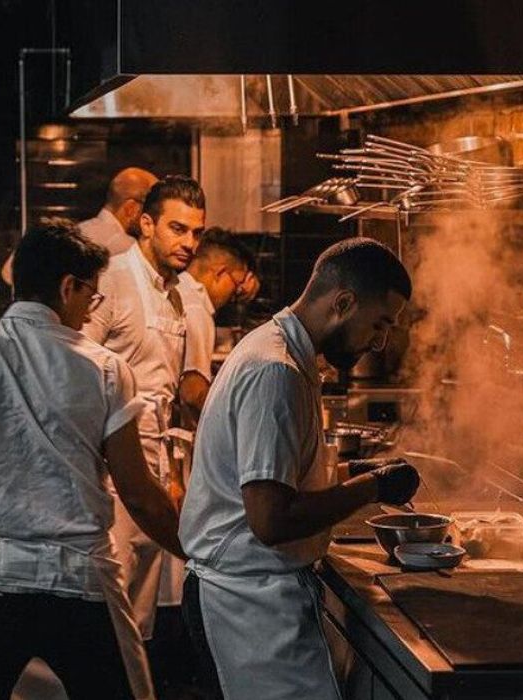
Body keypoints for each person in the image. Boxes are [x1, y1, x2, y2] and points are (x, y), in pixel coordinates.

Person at [0, 219, 185, 700]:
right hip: (84, 581)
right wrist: (199, 554)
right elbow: (139, 496)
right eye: (91, 296)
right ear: (67, 287)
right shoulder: (106, 369)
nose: (89, 312)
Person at [178, 237, 420, 700]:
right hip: (248, 606)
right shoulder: (276, 370)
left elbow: (282, 473)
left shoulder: (285, 351)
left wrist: (355, 470)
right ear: (343, 303)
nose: (380, 342)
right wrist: (372, 486)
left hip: (254, 597)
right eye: (380, 324)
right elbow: (271, 519)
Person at [80, 175, 204, 694]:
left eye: (196, 233)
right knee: (110, 610)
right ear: (146, 224)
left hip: (154, 466)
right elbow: (77, 364)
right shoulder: (111, 279)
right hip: (110, 472)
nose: (189, 243)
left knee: (141, 614)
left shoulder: (176, 295)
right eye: (177, 229)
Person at [0, 166, 159, 284]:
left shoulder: (74, 232)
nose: (154, 218)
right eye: (153, 210)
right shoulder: (127, 248)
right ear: (131, 208)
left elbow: (9, 273)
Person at [176, 228, 259, 422]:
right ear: (220, 273)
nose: (234, 294)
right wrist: (234, 424)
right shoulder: (197, 310)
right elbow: (193, 393)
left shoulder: (176, 291)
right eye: (236, 284)